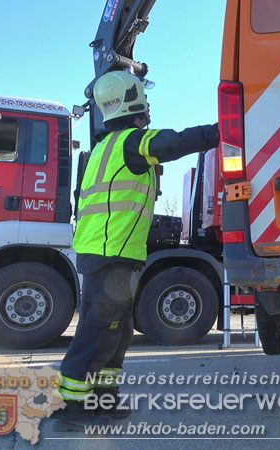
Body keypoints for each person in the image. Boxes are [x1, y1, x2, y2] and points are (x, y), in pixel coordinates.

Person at [51, 71, 220, 430]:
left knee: (118, 330)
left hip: (110, 255)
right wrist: (225, 130)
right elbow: (176, 142)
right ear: (136, 106)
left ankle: (105, 401)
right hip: (111, 255)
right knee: (98, 332)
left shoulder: (106, 146)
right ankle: (71, 408)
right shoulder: (130, 142)